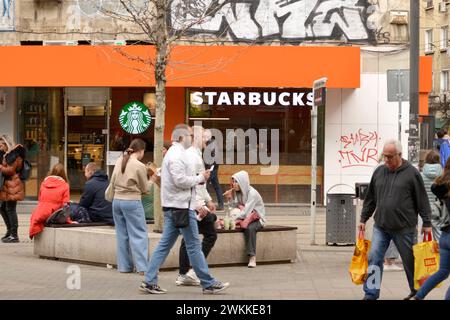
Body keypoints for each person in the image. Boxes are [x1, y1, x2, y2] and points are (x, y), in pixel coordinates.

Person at [140, 124, 229, 295]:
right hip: (181, 207)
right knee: (194, 246)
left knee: (166, 245)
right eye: (190, 135)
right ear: (181, 137)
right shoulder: (177, 156)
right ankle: (208, 283)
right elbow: (180, 181)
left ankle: (149, 281)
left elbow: (178, 180)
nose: (192, 138)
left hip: (176, 207)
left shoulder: (176, 154)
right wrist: (200, 178)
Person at [359, 139, 432, 300]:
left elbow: (422, 199)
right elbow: (370, 198)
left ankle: (416, 292)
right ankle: (371, 294)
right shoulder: (379, 171)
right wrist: (363, 218)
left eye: (390, 157)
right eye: (384, 156)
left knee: (410, 261)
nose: (386, 160)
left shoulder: (412, 173)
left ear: (399, 155)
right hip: (381, 226)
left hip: (404, 228)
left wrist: (427, 222)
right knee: (374, 258)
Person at [176, 126, 218, 287]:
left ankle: (184, 273)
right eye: (205, 139)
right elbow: (194, 184)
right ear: (197, 138)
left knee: (187, 240)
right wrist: (201, 204)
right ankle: (193, 273)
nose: (207, 142)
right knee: (210, 235)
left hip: (192, 204)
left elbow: (200, 184)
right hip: (193, 204)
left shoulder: (195, 155)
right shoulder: (194, 157)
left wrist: (207, 200)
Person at [111, 138, 151, 275]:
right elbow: (145, 188)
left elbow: (112, 180)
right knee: (139, 234)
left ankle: (124, 266)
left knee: (122, 234)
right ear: (140, 151)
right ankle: (142, 267)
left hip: (116, 201)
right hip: (132, 201)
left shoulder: (119, 160)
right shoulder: (139, 165)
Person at [413, 157, 450, 300]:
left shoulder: (442, 187)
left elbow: (435, 187)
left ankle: (419, 296)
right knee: (443, 272)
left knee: (443, 272)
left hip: (445, 236)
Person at [223, 170, 266, 268]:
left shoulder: (252, 193)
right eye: (233, 182)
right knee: (228, 224)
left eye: (236, 181)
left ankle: (252, 257)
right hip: (246, 217)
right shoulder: (239, 193)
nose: (234, 184)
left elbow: (245, 212)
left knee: (250, 228)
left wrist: (233, 218)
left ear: (242, 182)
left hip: (257, 218)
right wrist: (229, 198)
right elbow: (236, 206)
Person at [29, 163, 72, 239]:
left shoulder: (44, 183)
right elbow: (65, 205)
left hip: (40, 213)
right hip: (53, 214)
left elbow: (40, 199)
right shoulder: (65, 185)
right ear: (64, 174)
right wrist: (69, 220)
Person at [0, 135, 25, 243]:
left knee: (10, 209)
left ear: (6, 144)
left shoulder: (15, 155)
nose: (0, 147)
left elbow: (10, 170)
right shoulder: (7, 155)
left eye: (1, 144)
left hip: (13, 185)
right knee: (2, 207)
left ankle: (14, 235)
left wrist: (0, 167)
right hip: (6, 185)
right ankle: (9, 231)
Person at [421, 150, 443, 241]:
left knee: (426, 237)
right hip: (439, 209)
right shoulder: (443, 175)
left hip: (424, 211)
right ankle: (440, 253)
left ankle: (426, 254)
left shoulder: (420, 175)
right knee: (439, 237)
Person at [204, 129, 224, 210]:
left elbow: (212, 157)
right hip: (214, 167)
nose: (203, 138)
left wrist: (209, 168)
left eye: (204, 136)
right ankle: (221, 204)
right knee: (216, 186)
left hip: (211, 168)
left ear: (207, 137)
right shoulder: (212, 143)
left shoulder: (210, 144)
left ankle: (209, 204)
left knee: (206, 186)